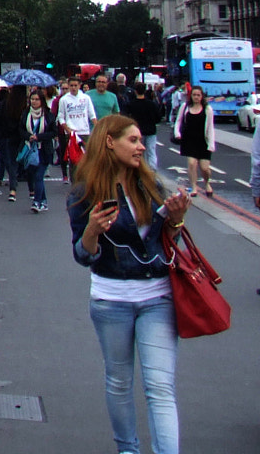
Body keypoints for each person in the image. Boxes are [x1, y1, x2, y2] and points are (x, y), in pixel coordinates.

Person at [69, 114, 190, 454]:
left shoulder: (149, 184)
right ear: (110, 141)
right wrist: (92, 231)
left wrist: (176, 220)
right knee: (119, 383)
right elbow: (82, 255)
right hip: (111, 298)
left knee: (161, 387)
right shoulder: (84, 192)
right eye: (133, 140)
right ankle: (128, 450)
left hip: (158, 297)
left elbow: (164, 244)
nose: (141, 147)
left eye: (140, 140)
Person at [20, 87, 58, 210]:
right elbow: (20, 129)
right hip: (30, 150)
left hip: (44, 150)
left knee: (39, 175)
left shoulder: (48, 115)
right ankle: (44, 201)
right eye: (32, 99)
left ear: (42, 101)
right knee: (34, 175)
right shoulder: (26, 114)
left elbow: (53, 132)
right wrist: (29, 136)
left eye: (37, 99)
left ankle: (36, 201)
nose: (34, 102)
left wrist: (39, 137)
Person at [172, 85, 215, 196]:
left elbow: (210, 128)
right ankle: (194, 187)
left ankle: (207, 183)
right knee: (191, 164)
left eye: (198, 95)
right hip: (189, 140)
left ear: (202, 96)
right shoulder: (185, 107)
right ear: (191, 96)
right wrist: (177, 133)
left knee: (205, 168)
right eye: (194, 95)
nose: (196, 97)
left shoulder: (207, 109)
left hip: (203, 141)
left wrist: (211, 144)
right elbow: (178, 121)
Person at [0, 88, 27, 201]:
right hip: (20, 136)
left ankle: (12, 186)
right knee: (19, 159)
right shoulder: (24, 106)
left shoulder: (5, 105)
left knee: (9, 160)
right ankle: (30, 188)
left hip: (6, 136)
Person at [56, 77, 97, 180]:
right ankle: (75, 182)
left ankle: (85, 180)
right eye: (71, 86)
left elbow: (92, 115)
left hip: (84, 132)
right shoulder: (64, 100)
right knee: (73, 159)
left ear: (79, 85)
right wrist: (68, 130)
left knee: (86, 158)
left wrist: (98, 128)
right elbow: (61, 117)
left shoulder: (86, 98)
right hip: (72, 134)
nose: (73, 88)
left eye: (75, 85)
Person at [122, 81, 164, 170]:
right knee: (151, 151)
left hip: (137, 131)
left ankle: (140, 170)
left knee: (138, 151)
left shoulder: (131, 104)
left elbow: (126, 117)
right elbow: (158, 117)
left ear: (135, 91)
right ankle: (152, 171)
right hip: (151, 131)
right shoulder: (151, 104)